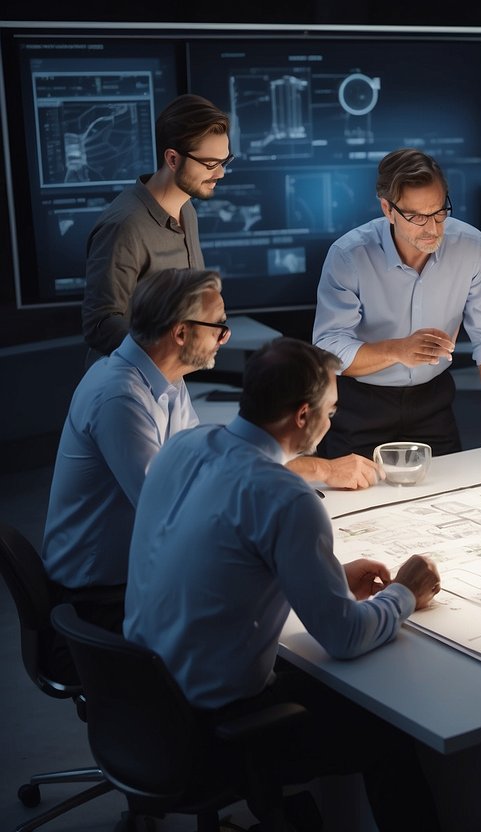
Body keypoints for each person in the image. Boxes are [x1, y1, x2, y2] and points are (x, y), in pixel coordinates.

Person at [124, 337, 442, 830]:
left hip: (142, 702)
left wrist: (330, 575)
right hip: (216, 729)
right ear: (302, 417)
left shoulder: (182, 447)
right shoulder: (288, 496)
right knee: (391, 728)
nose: (333, 420)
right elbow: (344, 638)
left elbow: (220, 559)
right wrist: (405, 592)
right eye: (331, 409)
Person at [44, 268, 383, 633]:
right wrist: (300, 557)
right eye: (219, 326)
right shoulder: (119, 397)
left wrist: (322, 471)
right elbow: (175, 512)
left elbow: (216, 472)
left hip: (140, 578)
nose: (225, 337)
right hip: (102, 600)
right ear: (180, 332)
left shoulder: (165, 382)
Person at [313, 147, 481, 458]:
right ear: (388, 210)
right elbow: (328, 347)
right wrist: (397, 350)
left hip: (433, 403)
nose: (432, 228)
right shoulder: (349, 255)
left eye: (439, 212)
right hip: (358, 407)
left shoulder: (469, 246)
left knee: (450, 498)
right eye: (416, 216)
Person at [82, 95, 231, 355]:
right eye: (210, 164)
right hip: (129, 387)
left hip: (169, 383)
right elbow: (99, 324)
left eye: (224, 161)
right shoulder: (125, 226)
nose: (220, 173)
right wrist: (164, 351)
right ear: (173, 160)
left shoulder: (187, 209)